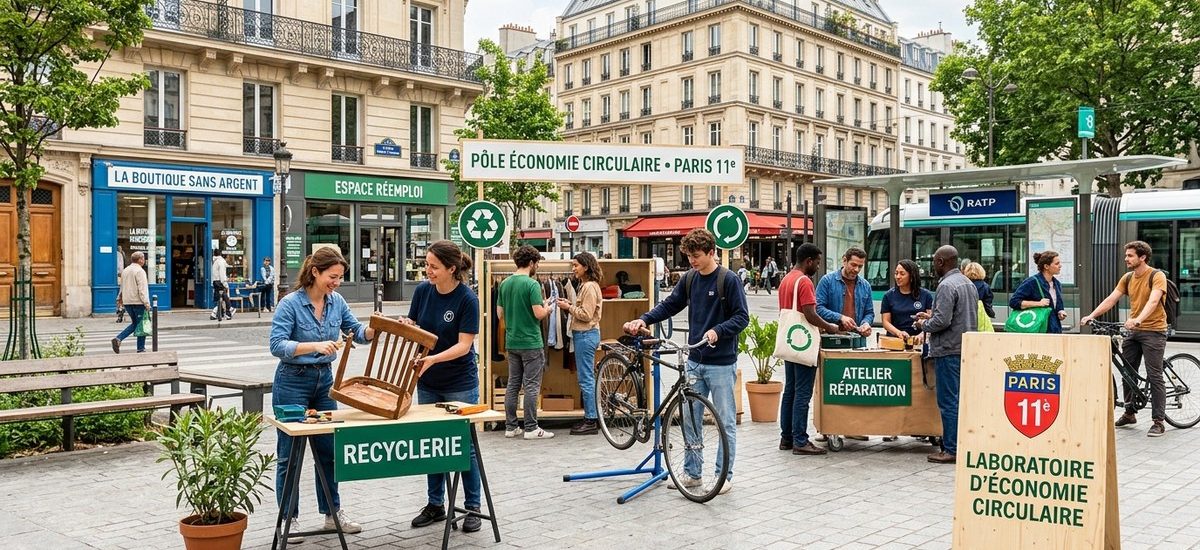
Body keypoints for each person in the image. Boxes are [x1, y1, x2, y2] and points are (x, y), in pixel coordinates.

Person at [623, 228, 748, 494]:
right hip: (695, 359)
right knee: (690, 419)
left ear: (711, 252)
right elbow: (670, 304)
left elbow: (742, 317)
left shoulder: (728, 280)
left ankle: (723, 475)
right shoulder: (690, 278)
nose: (692, 261)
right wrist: (644, 319)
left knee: (725, 421)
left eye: (697, 256)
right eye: (689, 256)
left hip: (721, 363)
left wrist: (718, 331)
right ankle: (693, 473)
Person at [268, 247, 375, 540]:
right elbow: (277, 345)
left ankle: (332, 513)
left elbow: (356, 331)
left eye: (340, 278)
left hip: (324, 382)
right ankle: (288, 519)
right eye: (333, 277)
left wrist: (374, 329)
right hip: (292, 382)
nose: (336, 283)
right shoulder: (290, 304)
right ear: (315, 272)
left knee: (329, 452)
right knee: (289, 456)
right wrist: (314, 346)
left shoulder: (336, 302)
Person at [402, 241, 485, 534]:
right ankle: (435, 504)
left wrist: (433, 358)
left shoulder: (467, 299)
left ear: (451, 269)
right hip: (428, 381)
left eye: (434, 266)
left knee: (465, 446)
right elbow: (415, 326)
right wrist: (407, 325)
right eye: (426, 264)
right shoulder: (423, 291)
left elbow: (464, 346)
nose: (428, 270)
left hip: (459, 382)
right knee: (432, 443)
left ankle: (472, 507)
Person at [1081, 240, 1169, 437]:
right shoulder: (1128, 277)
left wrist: (1138, 319)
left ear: (1142, 257)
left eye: (1130, 255)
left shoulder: (1157, 276)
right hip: (1133, 331)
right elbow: (1111, 299)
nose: (1126, 259)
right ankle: (1130, 413)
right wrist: (1092, 315)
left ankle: (1158, 421)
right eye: (1126, 255)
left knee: (1154, 375)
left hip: (1154, 331)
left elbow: (1154, 301)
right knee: (1127, 372)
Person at [914, 245, 978, 464]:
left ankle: (950, 449)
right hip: (965, 347)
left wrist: (923, 323)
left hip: (948, 349)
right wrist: (932, 315)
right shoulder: (967, 283)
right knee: (960, 400)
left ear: (941, 262)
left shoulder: (946, 285)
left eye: (934, 262)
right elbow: (957, 315)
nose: (933, 266)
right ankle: (960, 444)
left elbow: (942, 321)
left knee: (948, 401)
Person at [777, 243, 839, 456]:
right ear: (809, 261)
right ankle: (800, 440)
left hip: (790, 340)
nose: (818, 267)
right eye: (818, 262)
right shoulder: (804, 281)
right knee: (803, 392)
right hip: (803, 341)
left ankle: (786, 438)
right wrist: (829, 327)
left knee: (790, 390)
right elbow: (810, 313)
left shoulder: (787, 279)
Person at [497, 245, 555, 440]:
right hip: (531, 342)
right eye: (536, 263)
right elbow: (538, 314)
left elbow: (499, 313)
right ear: (531, 263)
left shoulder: (505, 284)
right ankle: (531, 428)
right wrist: (548, 308)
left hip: (512, 341)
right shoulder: (532, 285)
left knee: (513, 384)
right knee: (531, 386)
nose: (537, 267)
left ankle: (511, 426)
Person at [556, 252, 603, 436]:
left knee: (586, 378)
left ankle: (591, 420)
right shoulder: (587, 285)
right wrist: (570, 304)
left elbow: (586, 315)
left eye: (576, 265)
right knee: (586, 377)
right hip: (585, 335)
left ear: (586, 266)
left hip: (586, 334)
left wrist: (568, 307)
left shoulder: (589, 286)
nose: (573, 269)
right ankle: (590, 417)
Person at [816, 247, 874, 337]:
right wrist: (840, 317)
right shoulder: (827, 281)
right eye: (853, 265)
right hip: (832, 336)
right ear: (844, 261)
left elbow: (869, 312)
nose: (857, 269)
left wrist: (866, 323)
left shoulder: (865, 286)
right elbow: (818, 308)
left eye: (860, 266)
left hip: (856, 336)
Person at [1009, 251, 1067, 333]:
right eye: (1057, 263)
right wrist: (1038, 303)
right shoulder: (1032, 282)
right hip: (1038, 329)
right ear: (1046, 266)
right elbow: (1014, 302)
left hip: (1054, 329)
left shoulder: (1057, 284)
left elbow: (1058, 307)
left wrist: (1060, 312)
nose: (1060, 266)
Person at [881, 259, 935, 341]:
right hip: (896, 341)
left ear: (912, 276)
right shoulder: (888, 296)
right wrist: (899, 333)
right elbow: (886, 322)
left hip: (918, 341)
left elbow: (931, 320)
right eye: (896, 273)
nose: (898, 277)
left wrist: (921, 335)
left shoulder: (926, 295)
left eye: (902, 274)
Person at [111, 251, 150, 354]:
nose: (144, 260)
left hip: (128, 302)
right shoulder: (140, 271)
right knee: (141, 324)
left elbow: (122, 286)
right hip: (138, 302)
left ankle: (119, 339)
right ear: (140, 259)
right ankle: (140, 348)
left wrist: (119, 298)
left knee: (136, 323)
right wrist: (146, 303)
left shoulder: (125, 270)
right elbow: (142, 289)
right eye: (143, 258)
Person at [211, 250, 232, 320]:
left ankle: (217, 313)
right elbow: (222, 274)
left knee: (220, 298)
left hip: (215, 281)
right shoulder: (221, 261)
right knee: (225, 297)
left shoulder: (214, 261)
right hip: (220, 282)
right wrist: (225, 284)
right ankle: (229, 312)